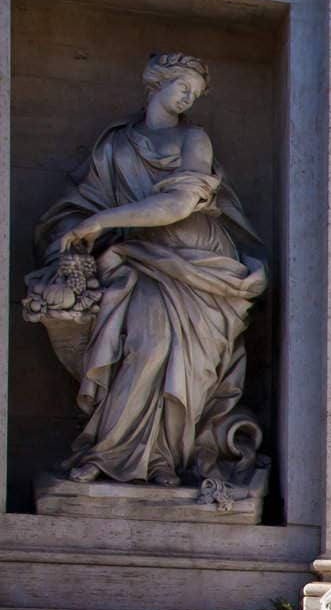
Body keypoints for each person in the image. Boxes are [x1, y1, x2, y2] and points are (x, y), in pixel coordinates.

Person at [26, 52, 266, 486]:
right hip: (136, 258)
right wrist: (79, 229)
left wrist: (103, 221)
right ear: (157, 82)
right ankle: (110, 453)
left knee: (180, 361)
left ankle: (163, 458)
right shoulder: (115, 146)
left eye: (195, 93)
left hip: (198, 266)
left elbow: (177, 204)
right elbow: (79, 205)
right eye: (182, 86)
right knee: (146, 343)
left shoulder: (194, 139)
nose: (188, 97)